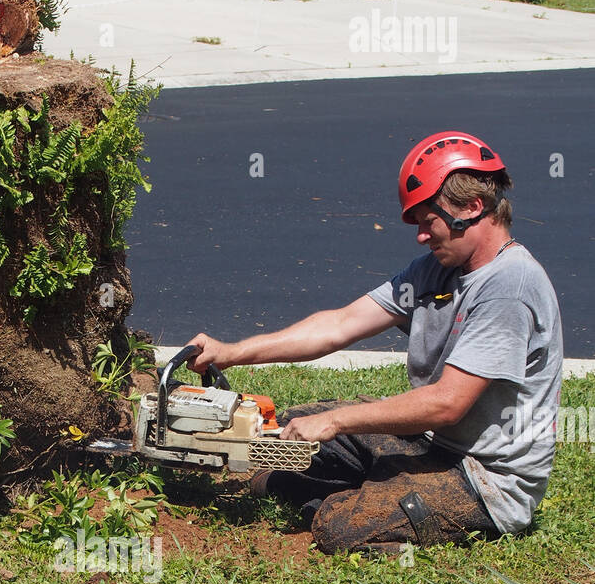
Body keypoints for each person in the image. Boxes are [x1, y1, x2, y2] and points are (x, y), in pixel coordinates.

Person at [188, 132, 564, 555]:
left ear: (472, 208)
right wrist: (232, 353)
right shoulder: (436, 271)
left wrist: (339, 420)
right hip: (431, 442)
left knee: (338, 526)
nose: (421, 235)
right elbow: (340, 325)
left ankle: (377, 512)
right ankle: (381, 489)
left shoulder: (509, 285)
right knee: (284, 444)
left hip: (483, 480)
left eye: (428, 221)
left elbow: (447, 403)